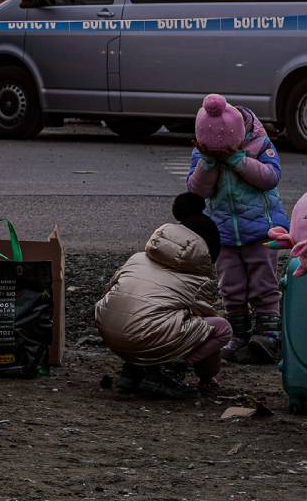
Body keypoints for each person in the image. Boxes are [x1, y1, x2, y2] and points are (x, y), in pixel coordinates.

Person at [95, 193, 230, 399]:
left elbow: (109, 291)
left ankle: (133, 369)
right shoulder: (197, 279)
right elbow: (201, 329)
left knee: (152, 316)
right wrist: (207, 375)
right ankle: (166, 372)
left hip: (110, 330)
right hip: (143, 339)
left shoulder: (137, 258)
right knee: (221, 328)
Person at [187, 93, 288, 363]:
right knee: (230, 286)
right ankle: (238, 333)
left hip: (262, 229)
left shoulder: (259, 142)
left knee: (263, 282)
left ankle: (269, 333)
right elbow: (197, 190)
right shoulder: (204, 151)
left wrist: (238, 160)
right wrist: (209, 163)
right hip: (224, 233)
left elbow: (270, 178)